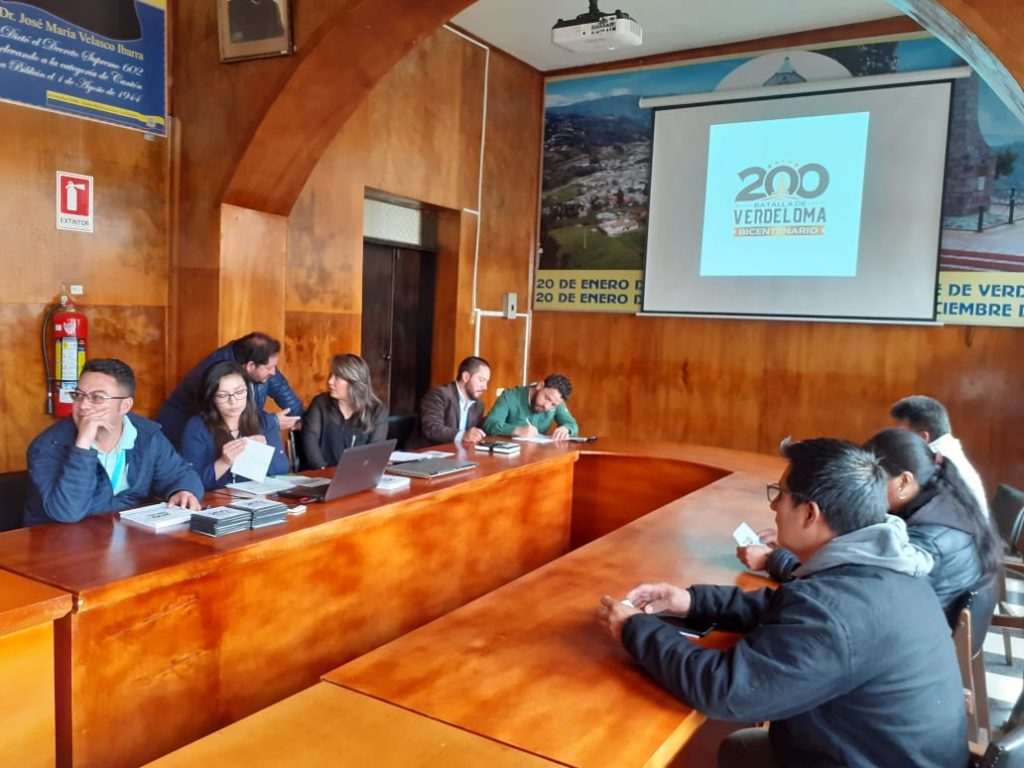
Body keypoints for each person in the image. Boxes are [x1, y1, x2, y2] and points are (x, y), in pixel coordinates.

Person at [596, 438, 967, 768]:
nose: (773, 506)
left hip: (863, 756)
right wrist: (692, 601)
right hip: (882, 750)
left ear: (810, 513)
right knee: (741, 748)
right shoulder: (884, 564)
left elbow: (725, 690)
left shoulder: (837, 609)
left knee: (740, 747)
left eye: (781, 494)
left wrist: (634, 628)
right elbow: (789, 607)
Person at [740, 428, 1001, 626]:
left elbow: (853, 591)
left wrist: (774, 560)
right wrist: (808, 540)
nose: (862, 488)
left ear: (904, 482)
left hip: (913, 638)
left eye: (875, 477)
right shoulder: (944, 504)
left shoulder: (926, 543)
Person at [24, 359, 204, 526]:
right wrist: (83, 445)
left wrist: (184, 490)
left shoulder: (146, 435)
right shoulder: (48, 445)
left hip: (125, 536)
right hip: (57, 541)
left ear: (125, 406)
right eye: (78, 395)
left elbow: (180, 474)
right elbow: (67, 512)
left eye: (97, 397)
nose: (83, 405)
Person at [156, 332, 303, 446]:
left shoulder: (262, 362)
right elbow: (226, 418)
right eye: (269, 368)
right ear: (250, 366)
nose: (273, 372)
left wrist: (300, 420)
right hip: (184, 436)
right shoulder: (217, 374)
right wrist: (271, 422)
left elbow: (288, 398)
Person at [180, 361, 290, 490]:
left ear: (248, 391)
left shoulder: (265, 421)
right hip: (216, 500)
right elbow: (192, 484)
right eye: (222, 395)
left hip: (258, 498)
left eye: (239, 392)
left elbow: (282, 471)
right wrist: (224, 462)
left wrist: (263, 453)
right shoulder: (197, 427)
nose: (233, 401)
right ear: (211, 397)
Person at [891, 394, 988, 516]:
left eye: (902, 435)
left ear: (923, 438)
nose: (898, 441)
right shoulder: (949, 452)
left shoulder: (937, 464)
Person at [301, 354, 388, 469]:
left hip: (359, 475)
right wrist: (324, 471)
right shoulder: (320, 404)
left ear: (354, 383)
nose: (330, 381)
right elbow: (311, 443)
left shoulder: (377, 411)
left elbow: (374, 454)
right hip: (321, 474)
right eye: (331, 375)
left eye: (337, 377)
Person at [417, 356, 491, 446]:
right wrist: (463, 435)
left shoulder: (479, 405)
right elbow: (432, 429)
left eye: (487, 382)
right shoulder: (439, 394)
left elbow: (474, 435)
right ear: (466, 377)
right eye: (481, 380)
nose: (485, 387)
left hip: (458, 451)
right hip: (426, 451)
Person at [482, 373, 578, 440]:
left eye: (553, 405)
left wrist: (566, 429)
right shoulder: (510, 396)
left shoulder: (556, 402)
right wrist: (517, 430)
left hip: (538, 456)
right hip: (507, 456)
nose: (547, 406)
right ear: (540, 386)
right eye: (547, 398)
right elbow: (490, 424)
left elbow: (572, 425)